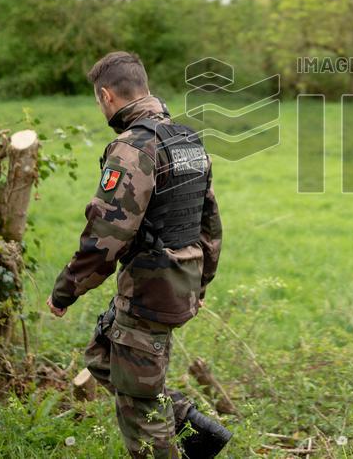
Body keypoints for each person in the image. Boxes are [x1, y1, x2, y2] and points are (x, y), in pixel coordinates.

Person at [47, 51, 230, 458]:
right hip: (179, 281)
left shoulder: (133, 149)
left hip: (150, 287)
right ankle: (185, 418)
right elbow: (210, 224)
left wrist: (64, 292)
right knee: (101, 355)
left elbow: (107, 235)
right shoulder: (188, 141)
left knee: (143, 417)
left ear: (107, 96)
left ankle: (166, 423)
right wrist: (202, 283)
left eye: (100, 101)